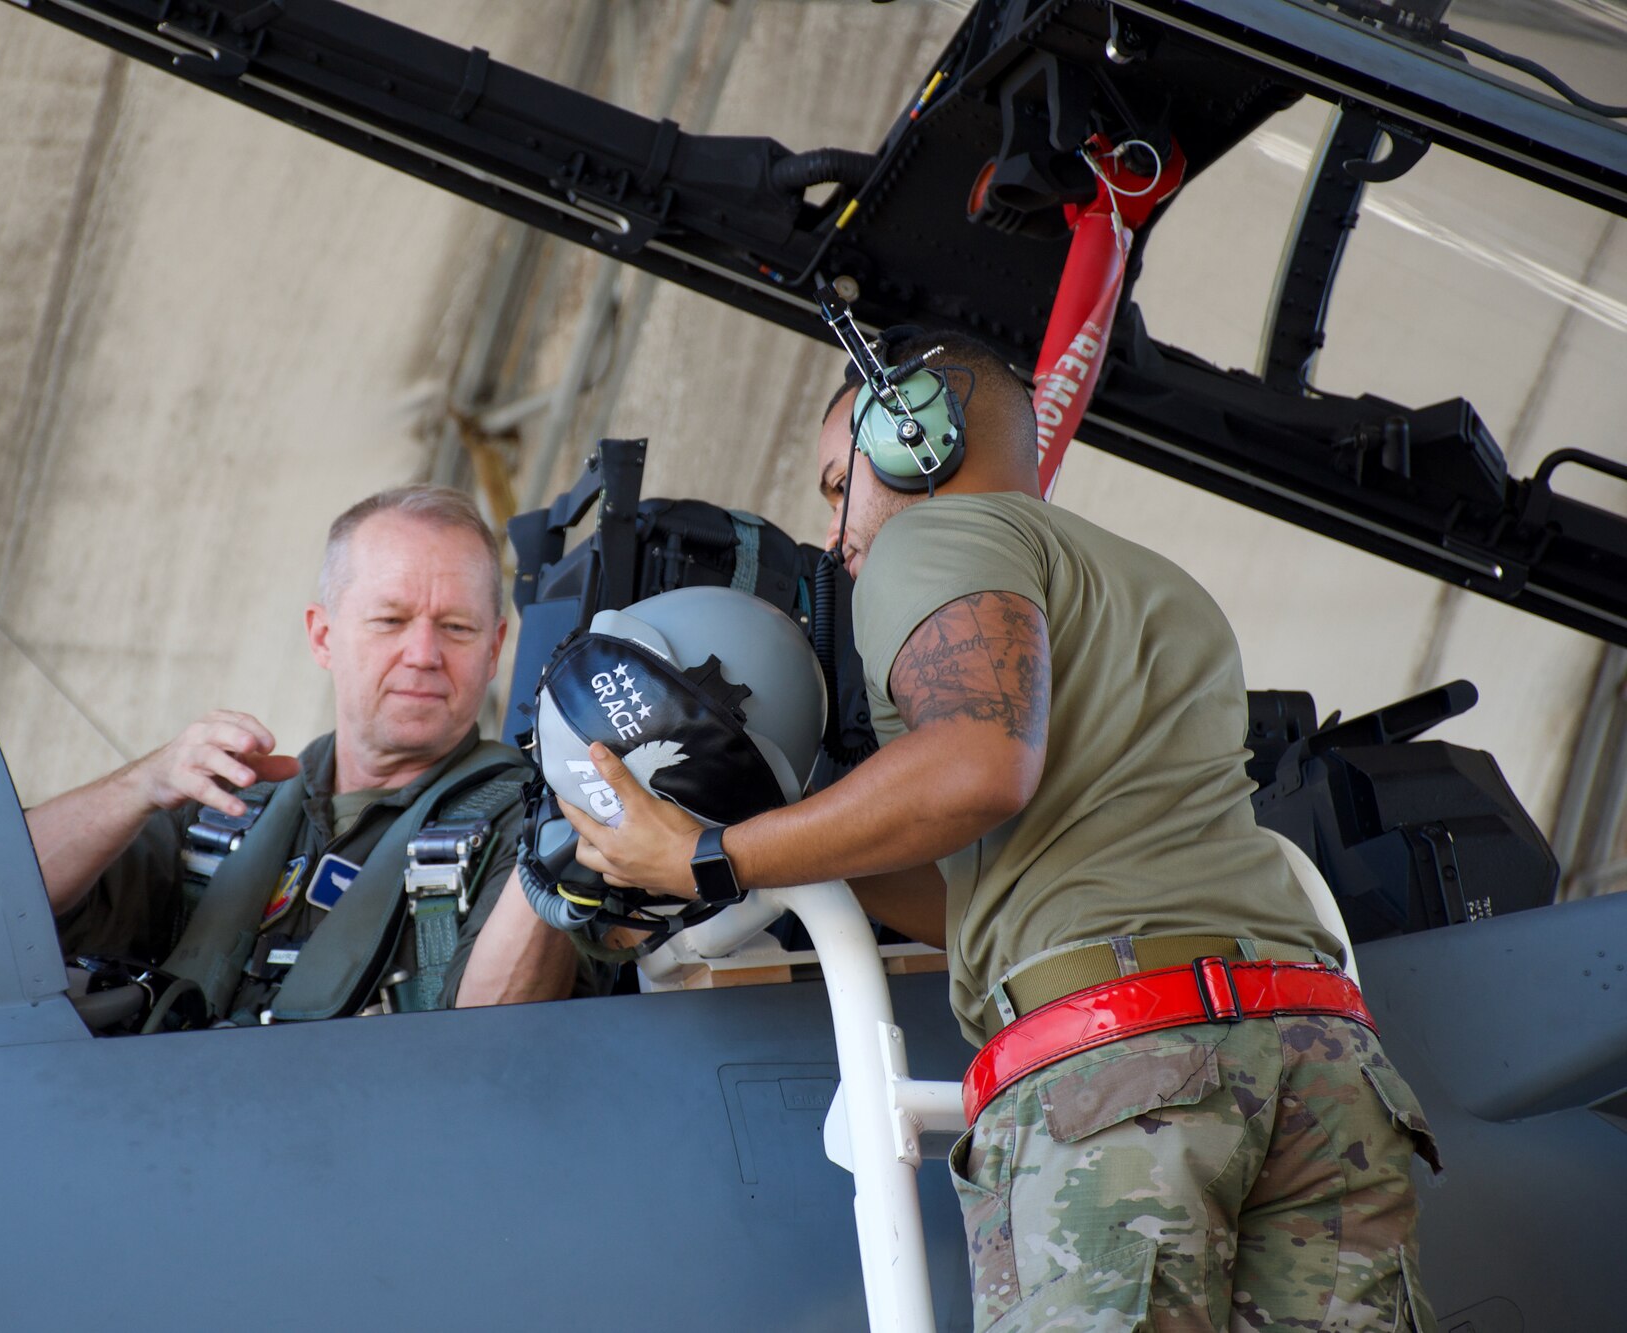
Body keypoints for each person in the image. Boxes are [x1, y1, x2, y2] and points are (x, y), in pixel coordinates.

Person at [563, 335, 1440, 1330]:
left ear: (913, 445)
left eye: (835, 483)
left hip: (1133, 1073)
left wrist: (705, 859)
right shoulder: (1148, 585)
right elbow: (990, 894)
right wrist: (785, 842)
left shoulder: (930, 541)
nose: (834, 534)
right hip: (1313, 1054)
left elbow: (978, 763)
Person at [29, 484, 581, 1018]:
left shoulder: (538, 824)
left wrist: (572, 825)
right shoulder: (221, 809)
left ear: (493, 650)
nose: (423, 653)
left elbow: (501, 1035)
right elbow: (2, 899)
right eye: (390, 620)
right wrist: (141, 785)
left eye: (456, 628)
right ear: (322, 637)